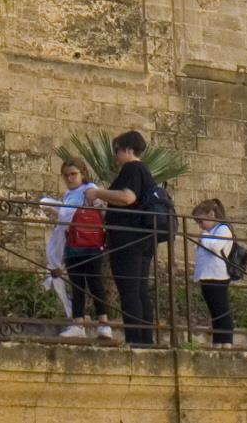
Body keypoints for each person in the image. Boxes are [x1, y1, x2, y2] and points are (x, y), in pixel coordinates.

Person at [84, 130, 159, 347]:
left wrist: (98, 193)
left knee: (129, 290)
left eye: (117, 151)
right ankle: (146, 341)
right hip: (142, 238)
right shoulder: (145, 171)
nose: (115, 156)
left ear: (127, 150)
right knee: (140, 290)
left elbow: (128, 197)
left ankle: (135, 341)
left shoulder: (132, 168)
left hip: (127, 239)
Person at [53, 157, 113, 340]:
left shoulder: (90, 190)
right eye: (67, 175)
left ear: (82, 174)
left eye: (73, 174)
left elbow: (102, 213)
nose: (70, 178)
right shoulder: (68, 195)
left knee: (95, 283)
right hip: (72, 242)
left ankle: (104, 324)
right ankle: (78, 323)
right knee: (77, 284)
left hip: (90, 242)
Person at [191, 198, 236, 346]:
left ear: (211, 214)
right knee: (214, 310)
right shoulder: (210, 232)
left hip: (218, 275)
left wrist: (204, 237)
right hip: (207, 275)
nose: (200, 226)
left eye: (201, 222)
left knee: (221, 308)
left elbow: (216, 247)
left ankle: (226, 341)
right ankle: (218, 341)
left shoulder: (223, 229)